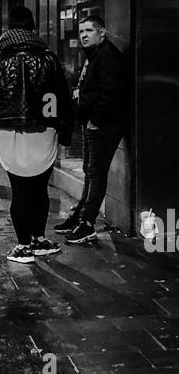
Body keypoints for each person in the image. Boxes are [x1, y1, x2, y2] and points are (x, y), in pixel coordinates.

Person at [0, 5, 73, 264]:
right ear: (33, 28)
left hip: (7, 133)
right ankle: (39, 239)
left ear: (8, 29)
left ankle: (22, 245)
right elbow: (62, 99)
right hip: (44, 131)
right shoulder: (49, 58)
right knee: (40, 189)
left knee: (19, 190)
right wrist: (65, 133)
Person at [55, 13, 126, 245]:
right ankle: (80, 216)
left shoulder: (108, 56)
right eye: (81, 31)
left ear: (102, 32)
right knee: (89, 170)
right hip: (92, 123)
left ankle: (87, 223)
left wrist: (96, 119)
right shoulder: (94, 55)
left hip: (104, 125)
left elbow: (112, 93)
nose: (84, 35)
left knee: (96, 173)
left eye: (89, 31)